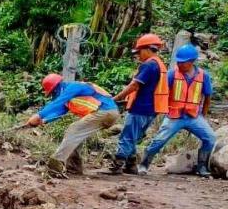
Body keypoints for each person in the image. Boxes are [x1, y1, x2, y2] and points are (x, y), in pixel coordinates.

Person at [138, 44, 216, 177]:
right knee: (159, 141)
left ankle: (202, 166)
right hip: (174, 116)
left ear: (191, 62)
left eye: (182, 62)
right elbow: (161, 94)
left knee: (210, 138)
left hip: (193, 116)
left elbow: (207, 96)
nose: (179, 64)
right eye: (178, 61)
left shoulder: (204, 76)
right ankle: (144, 164)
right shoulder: (172, 74)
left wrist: (203, 115)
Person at [26, 74, 120, 177]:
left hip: (105, 111)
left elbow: (58, 102)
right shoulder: (69, 97)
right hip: (106, 113)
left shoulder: (73, 87)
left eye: (53, 93)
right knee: (75, 134)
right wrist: (44, 120)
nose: (53, 96)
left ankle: (55, 166)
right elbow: (60, 111)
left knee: (73, 130)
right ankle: (74, 167)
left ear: (57, 87)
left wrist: (38, 115)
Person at [109, 34, 169, 174]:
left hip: (140, 107)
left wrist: (116, 98)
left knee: (128, 135)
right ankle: (131, 165)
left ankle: (118, 164)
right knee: (134, 136)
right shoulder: (160, 64)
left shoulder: (148, 65)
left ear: (148, 49)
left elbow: (134, 86)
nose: (138, 56)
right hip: (152, 108)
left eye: (139, 52)